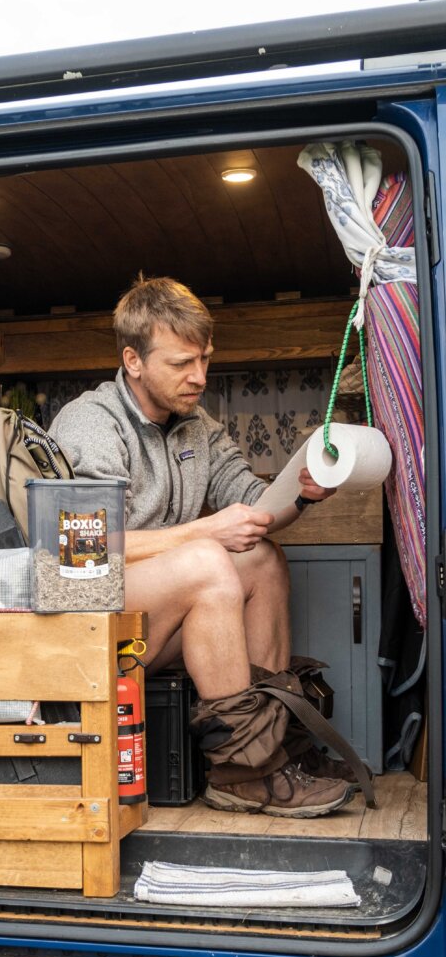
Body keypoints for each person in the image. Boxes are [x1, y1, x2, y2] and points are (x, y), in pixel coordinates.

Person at [50, 275, 356, 818]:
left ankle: (269, 751)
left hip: (153, 617)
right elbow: (82, 554)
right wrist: (203, 533)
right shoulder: (90, 423)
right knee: (206, 560)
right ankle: (243, 773)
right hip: (84, 618)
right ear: (133, 360)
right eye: (181, 363)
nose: (199, 377)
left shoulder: (197, 426)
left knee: (260, 558)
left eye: (206, 359)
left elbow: (255, 507)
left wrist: (302, 495)